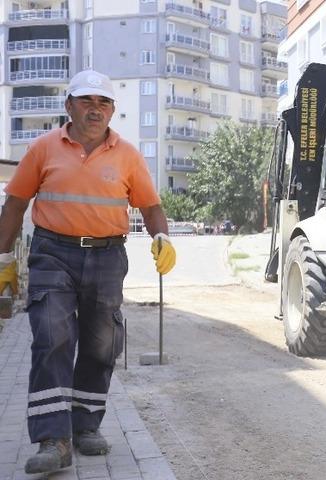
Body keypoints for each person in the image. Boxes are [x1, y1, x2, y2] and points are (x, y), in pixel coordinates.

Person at [0, 69, 177, 475]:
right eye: (87, 102)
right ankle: (53, 439)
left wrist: (162, 237)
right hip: (52, 254)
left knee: (102, 345)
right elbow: (14, 205)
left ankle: (85, 427)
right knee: (51, 335)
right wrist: (3, 257)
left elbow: (150, 206)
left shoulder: (128, 155)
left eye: (104, 103)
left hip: (107, 257)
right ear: (69, 106)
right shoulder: (43, 148)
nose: (95, 110)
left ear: (112, 111)